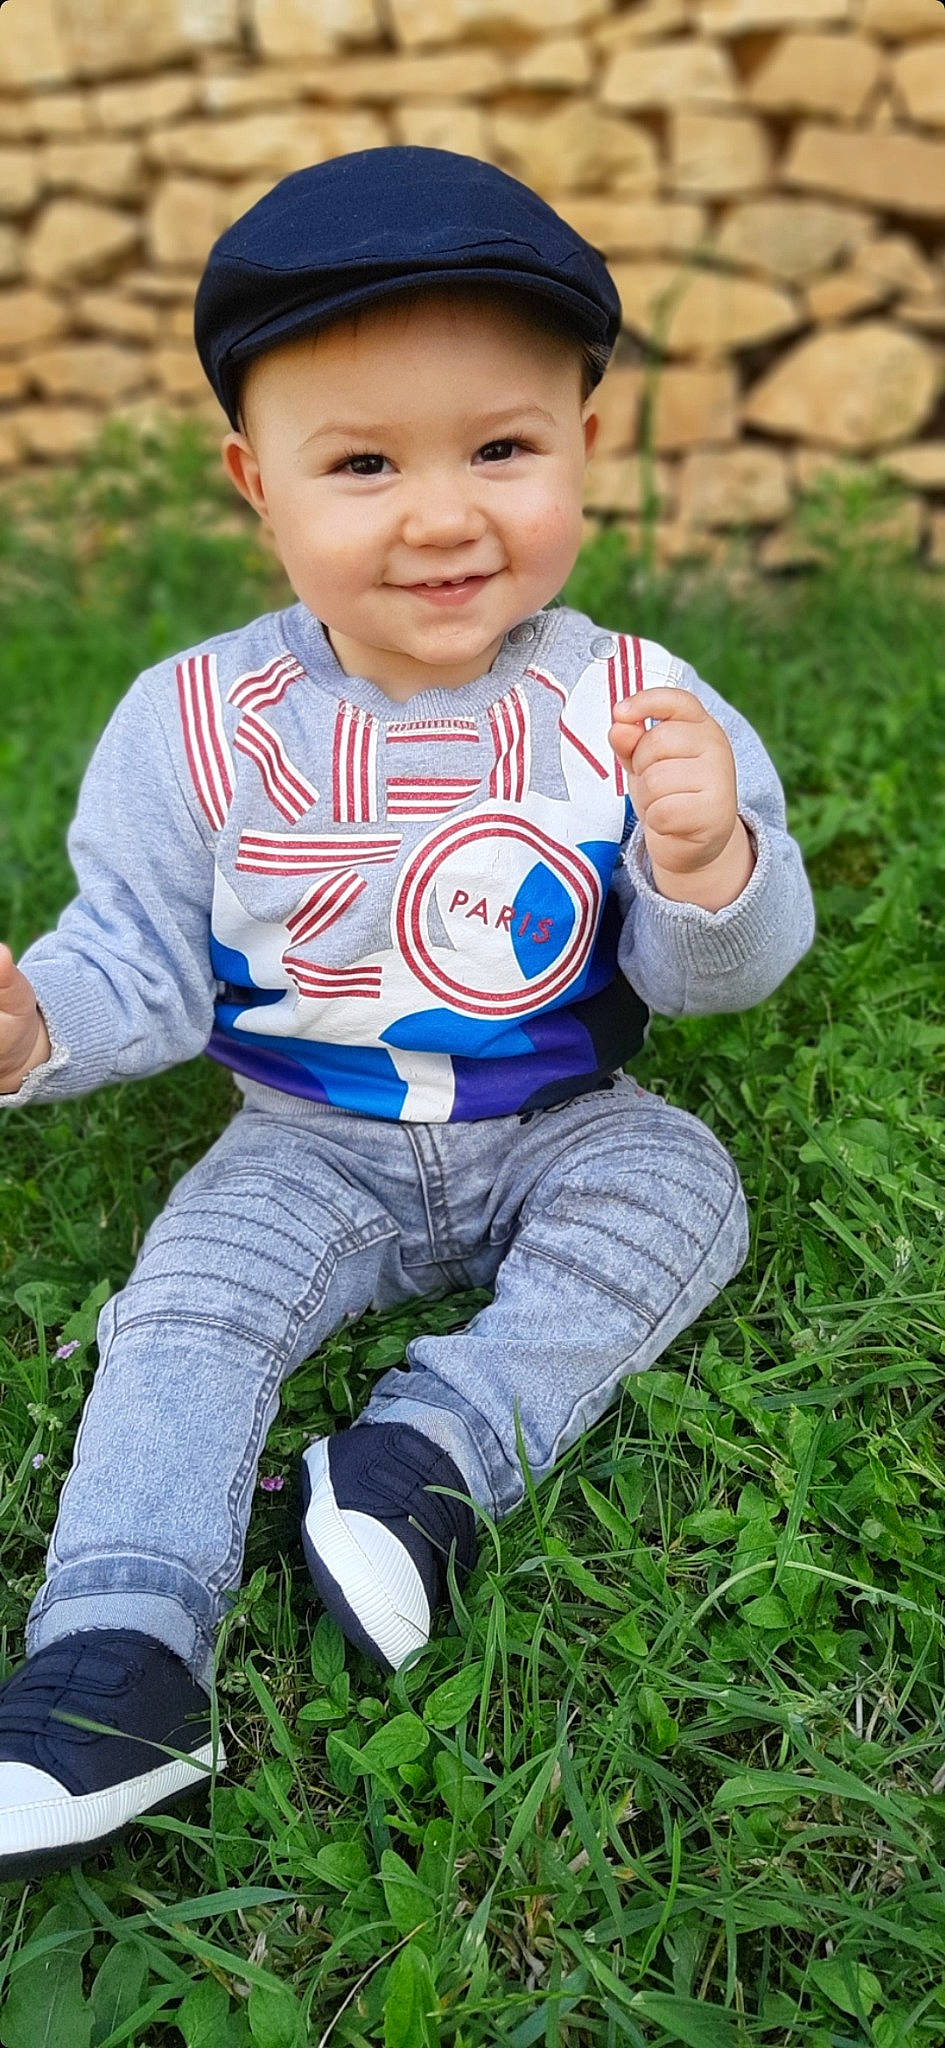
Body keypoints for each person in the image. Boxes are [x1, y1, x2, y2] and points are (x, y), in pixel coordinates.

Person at [0, 146, 815, 1877]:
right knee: (187, 1316)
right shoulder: (202, 722)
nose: (442, 515)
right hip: (303, 1135)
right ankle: (118, 1656)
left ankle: (423, 1459)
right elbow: (139, 959)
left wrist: (708, 863)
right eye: (362, 464)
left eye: (500, 449)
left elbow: (708, 984)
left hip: (559, 1112)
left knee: (684, 1190)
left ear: (585, 445)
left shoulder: (636, 702)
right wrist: (32, 1024)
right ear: (254, 482)